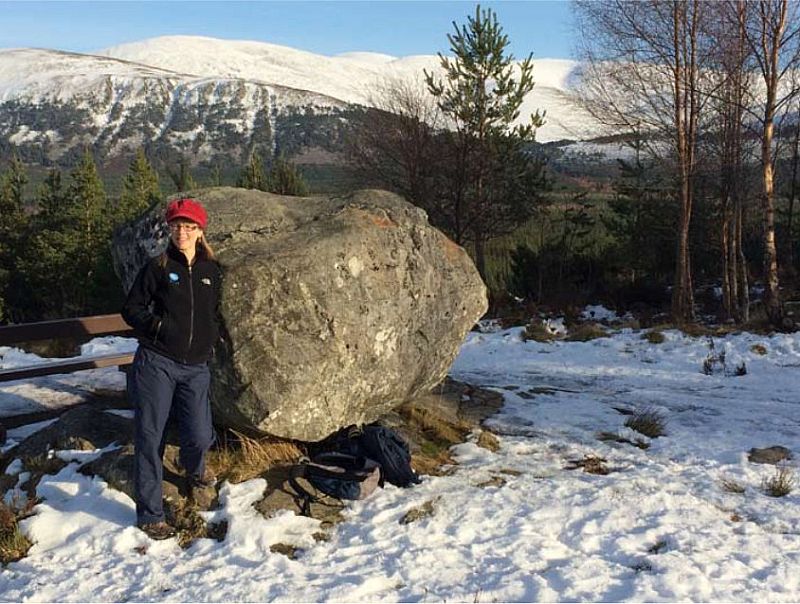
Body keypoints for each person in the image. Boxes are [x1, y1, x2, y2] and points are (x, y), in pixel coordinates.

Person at [122, 197, 222, 540]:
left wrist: (211, 341)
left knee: (200, 435)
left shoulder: (212, 270)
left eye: (189, 226)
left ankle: (194, 471)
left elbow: (211, 314)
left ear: (199, 231)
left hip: (196, 366)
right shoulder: (158, 266)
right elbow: (131, 308)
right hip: (158, 363)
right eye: (176, 225)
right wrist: (158, 328)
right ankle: (151, 515)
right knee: (151, 437)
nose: (182, 232)